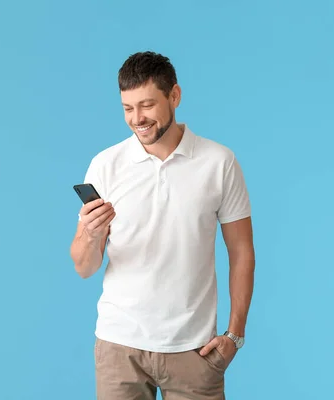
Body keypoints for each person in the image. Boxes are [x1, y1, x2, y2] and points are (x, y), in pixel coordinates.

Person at [69, 51, 256, 400]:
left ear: (175, 96)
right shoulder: (106, 164)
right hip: (119, 346)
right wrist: (90, 234)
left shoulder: (219, 162)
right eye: (127, 108)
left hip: (195, 350)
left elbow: (242, 251)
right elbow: (84, 267)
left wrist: (235, 335)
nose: (137, 118)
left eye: (147, 105)